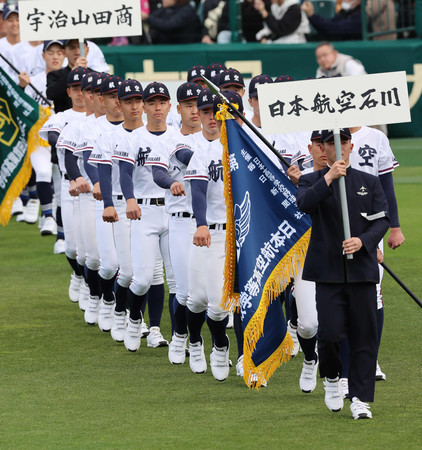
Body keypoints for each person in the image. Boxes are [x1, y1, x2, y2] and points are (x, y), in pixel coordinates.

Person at [296, 128, 390, 420]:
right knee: (331, 333)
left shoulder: (369, 182)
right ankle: (333, 376)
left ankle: (361, 398)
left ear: (350, 146)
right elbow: (304, 204)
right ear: (323, 149)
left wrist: (363, 241)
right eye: (329, 144)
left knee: (365, 335)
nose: (338, 148)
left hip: (361, 270)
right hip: (328, 271)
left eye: (343, 142)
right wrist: (329, 178)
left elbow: (382, 219)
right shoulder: (312, 180)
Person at [113, 82, 177, 352]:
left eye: (162, 102)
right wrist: (129, 199)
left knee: (173, 280)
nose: (157, 107)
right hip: (144, 210)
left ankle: (166, 334)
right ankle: (134, 319)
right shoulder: (134, 138)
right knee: (141, 278)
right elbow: (125, 173)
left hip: (173, 211)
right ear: (145, 107)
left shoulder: (177, 137)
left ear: (169, 106)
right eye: (152, 102)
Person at [146, 81, 203, 364]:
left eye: (200, 106)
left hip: (214, 223)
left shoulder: (217, 140)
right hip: (180, 221)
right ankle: (182, 336)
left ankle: (201, 340)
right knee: (184, 290)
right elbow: (158, 174)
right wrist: (171, 183)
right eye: (189, 106)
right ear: (177, 109)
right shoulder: (168, 139)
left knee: (209, 292)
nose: (195, 111)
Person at [47, 39, 90, 113]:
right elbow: (51, 94)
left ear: (87, 50)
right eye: (72, 48)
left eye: (80, 47)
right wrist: (73, 73)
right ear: (64, 52)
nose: (77, 52)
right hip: (65, 122)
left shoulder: (96, 76)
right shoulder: (55, 75)